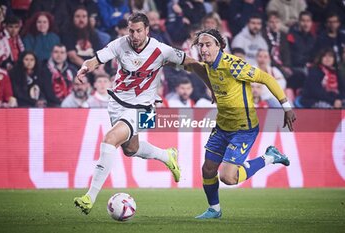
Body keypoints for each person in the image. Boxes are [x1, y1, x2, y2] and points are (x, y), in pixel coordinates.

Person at [73, 12, 208, 214]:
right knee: (130, 149)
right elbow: (95, 60)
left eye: (138, 31)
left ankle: (89, 197)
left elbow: (191, 63)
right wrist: (84, 68)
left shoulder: (161, 50)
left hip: (145, 107)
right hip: (117, 102)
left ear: (147, 30)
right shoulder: (120, 44)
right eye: (131, 31)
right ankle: (167, 155)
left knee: (110, 139)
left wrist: (211, 86)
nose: (134, 35)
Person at [191, 29, 296, 219]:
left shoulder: (233, 65)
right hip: (222, 126)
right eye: (201, 45)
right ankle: (214, 210)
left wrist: (286, 107)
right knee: (208, 169)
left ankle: (269, 157)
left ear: (219, 46)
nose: (203, 49)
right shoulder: (208, 65)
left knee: (228, 177)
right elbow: (198, 70)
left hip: (243, 129)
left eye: (208, 45)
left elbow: (266, 78)